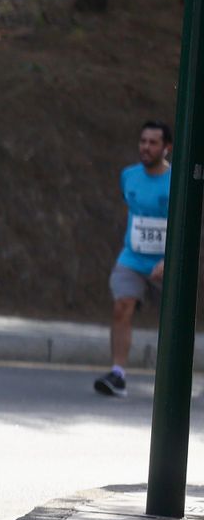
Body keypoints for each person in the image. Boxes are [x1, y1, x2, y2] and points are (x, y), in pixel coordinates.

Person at [96, 121, 172, 397]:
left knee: (175, 321)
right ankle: (117, 375)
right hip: (132, 258)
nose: (146, 147)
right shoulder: (128, 176)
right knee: (121, 307)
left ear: (167, 148)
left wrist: (170, 260)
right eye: (143, 141)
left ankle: (173, 377)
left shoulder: (177, 180)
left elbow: (185, 222)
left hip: (169, 262)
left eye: (153, 143)